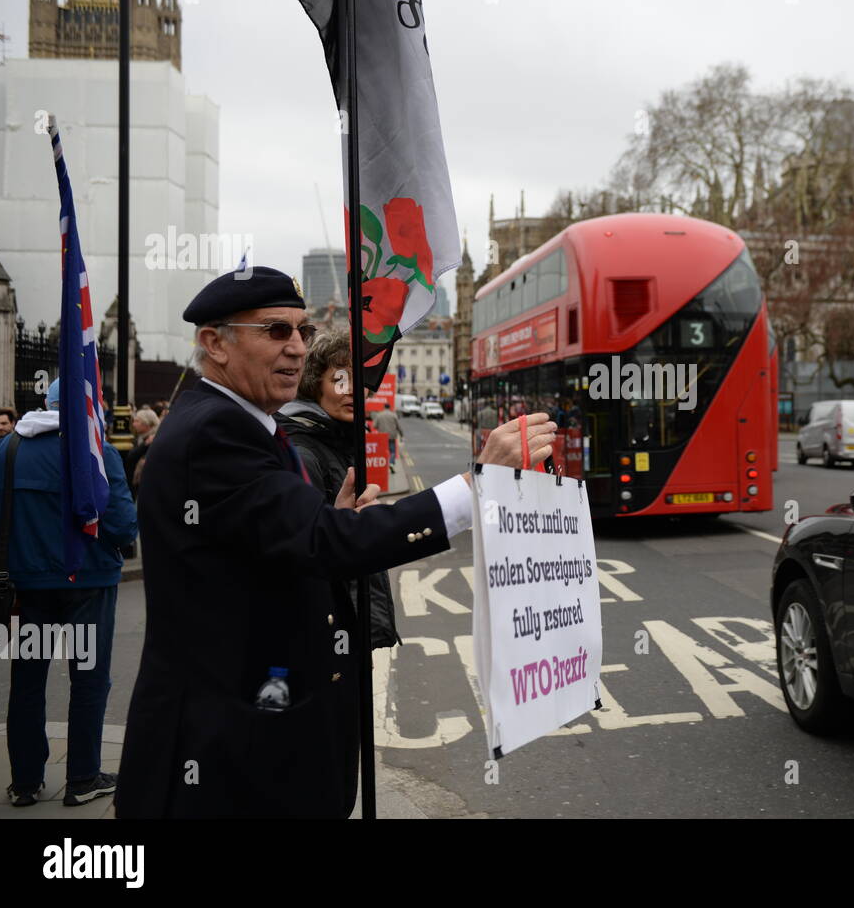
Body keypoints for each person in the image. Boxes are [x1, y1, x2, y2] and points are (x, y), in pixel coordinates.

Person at [115, 266, 554, 818]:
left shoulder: (250, 421)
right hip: (227, 756)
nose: (298, 348)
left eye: (301, 331)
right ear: (215, 344)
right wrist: (477, 486)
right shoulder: (214, 431)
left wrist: (327, 520)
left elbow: (284, 539)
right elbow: (327, 543)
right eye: (276, 331)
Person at [0, 380, 138, 808]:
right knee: (89, 680)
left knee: (27, 682)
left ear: (45, 404)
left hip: (24, 588)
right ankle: (82, 777)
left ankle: (25, 781)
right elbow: (123, 527)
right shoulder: (96, 451)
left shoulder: (5, 451)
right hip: (87, 585)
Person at [277, 331, 399, 649]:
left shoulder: (337, 437)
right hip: (326, 633)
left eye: (359, 381)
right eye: (339, 380)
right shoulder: (304, 451)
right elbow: (306, 555)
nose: (352, 392)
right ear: (315, 383)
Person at [123, 408, 160, 496]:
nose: (134, 424)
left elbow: (131, 457)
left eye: (137, 421)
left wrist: (145, 445)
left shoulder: (154, 439)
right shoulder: (141, 438)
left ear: (147, 424)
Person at [370, 402, 403, 469]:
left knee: (383, 451)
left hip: (382, 436)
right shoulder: (393, 415)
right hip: (392, 436)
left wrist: (380, 427)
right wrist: (401, 434)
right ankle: (391, 463)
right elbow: (398, 426)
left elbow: (374, 425)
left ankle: (383, 465)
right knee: (392, 451)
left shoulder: (379, 415)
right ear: (389, 407)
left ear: (384, 407)